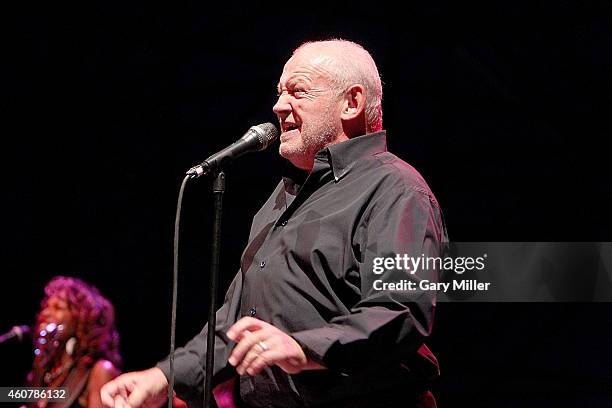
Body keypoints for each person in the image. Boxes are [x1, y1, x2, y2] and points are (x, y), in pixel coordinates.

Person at [101, 39, 447, 408]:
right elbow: (233, 328)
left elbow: (400, 309)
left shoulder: (397, 189)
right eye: (280, 93)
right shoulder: (281, 200)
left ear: (352, 102)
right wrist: (163, 377)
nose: (279, 106)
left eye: (298, 91)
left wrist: (304, 348)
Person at [27, 276, 122, 408]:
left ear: (81, 318)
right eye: (46, 306)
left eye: (58, 307)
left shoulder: (99, 370)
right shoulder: (45, 371)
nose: (46, 312)